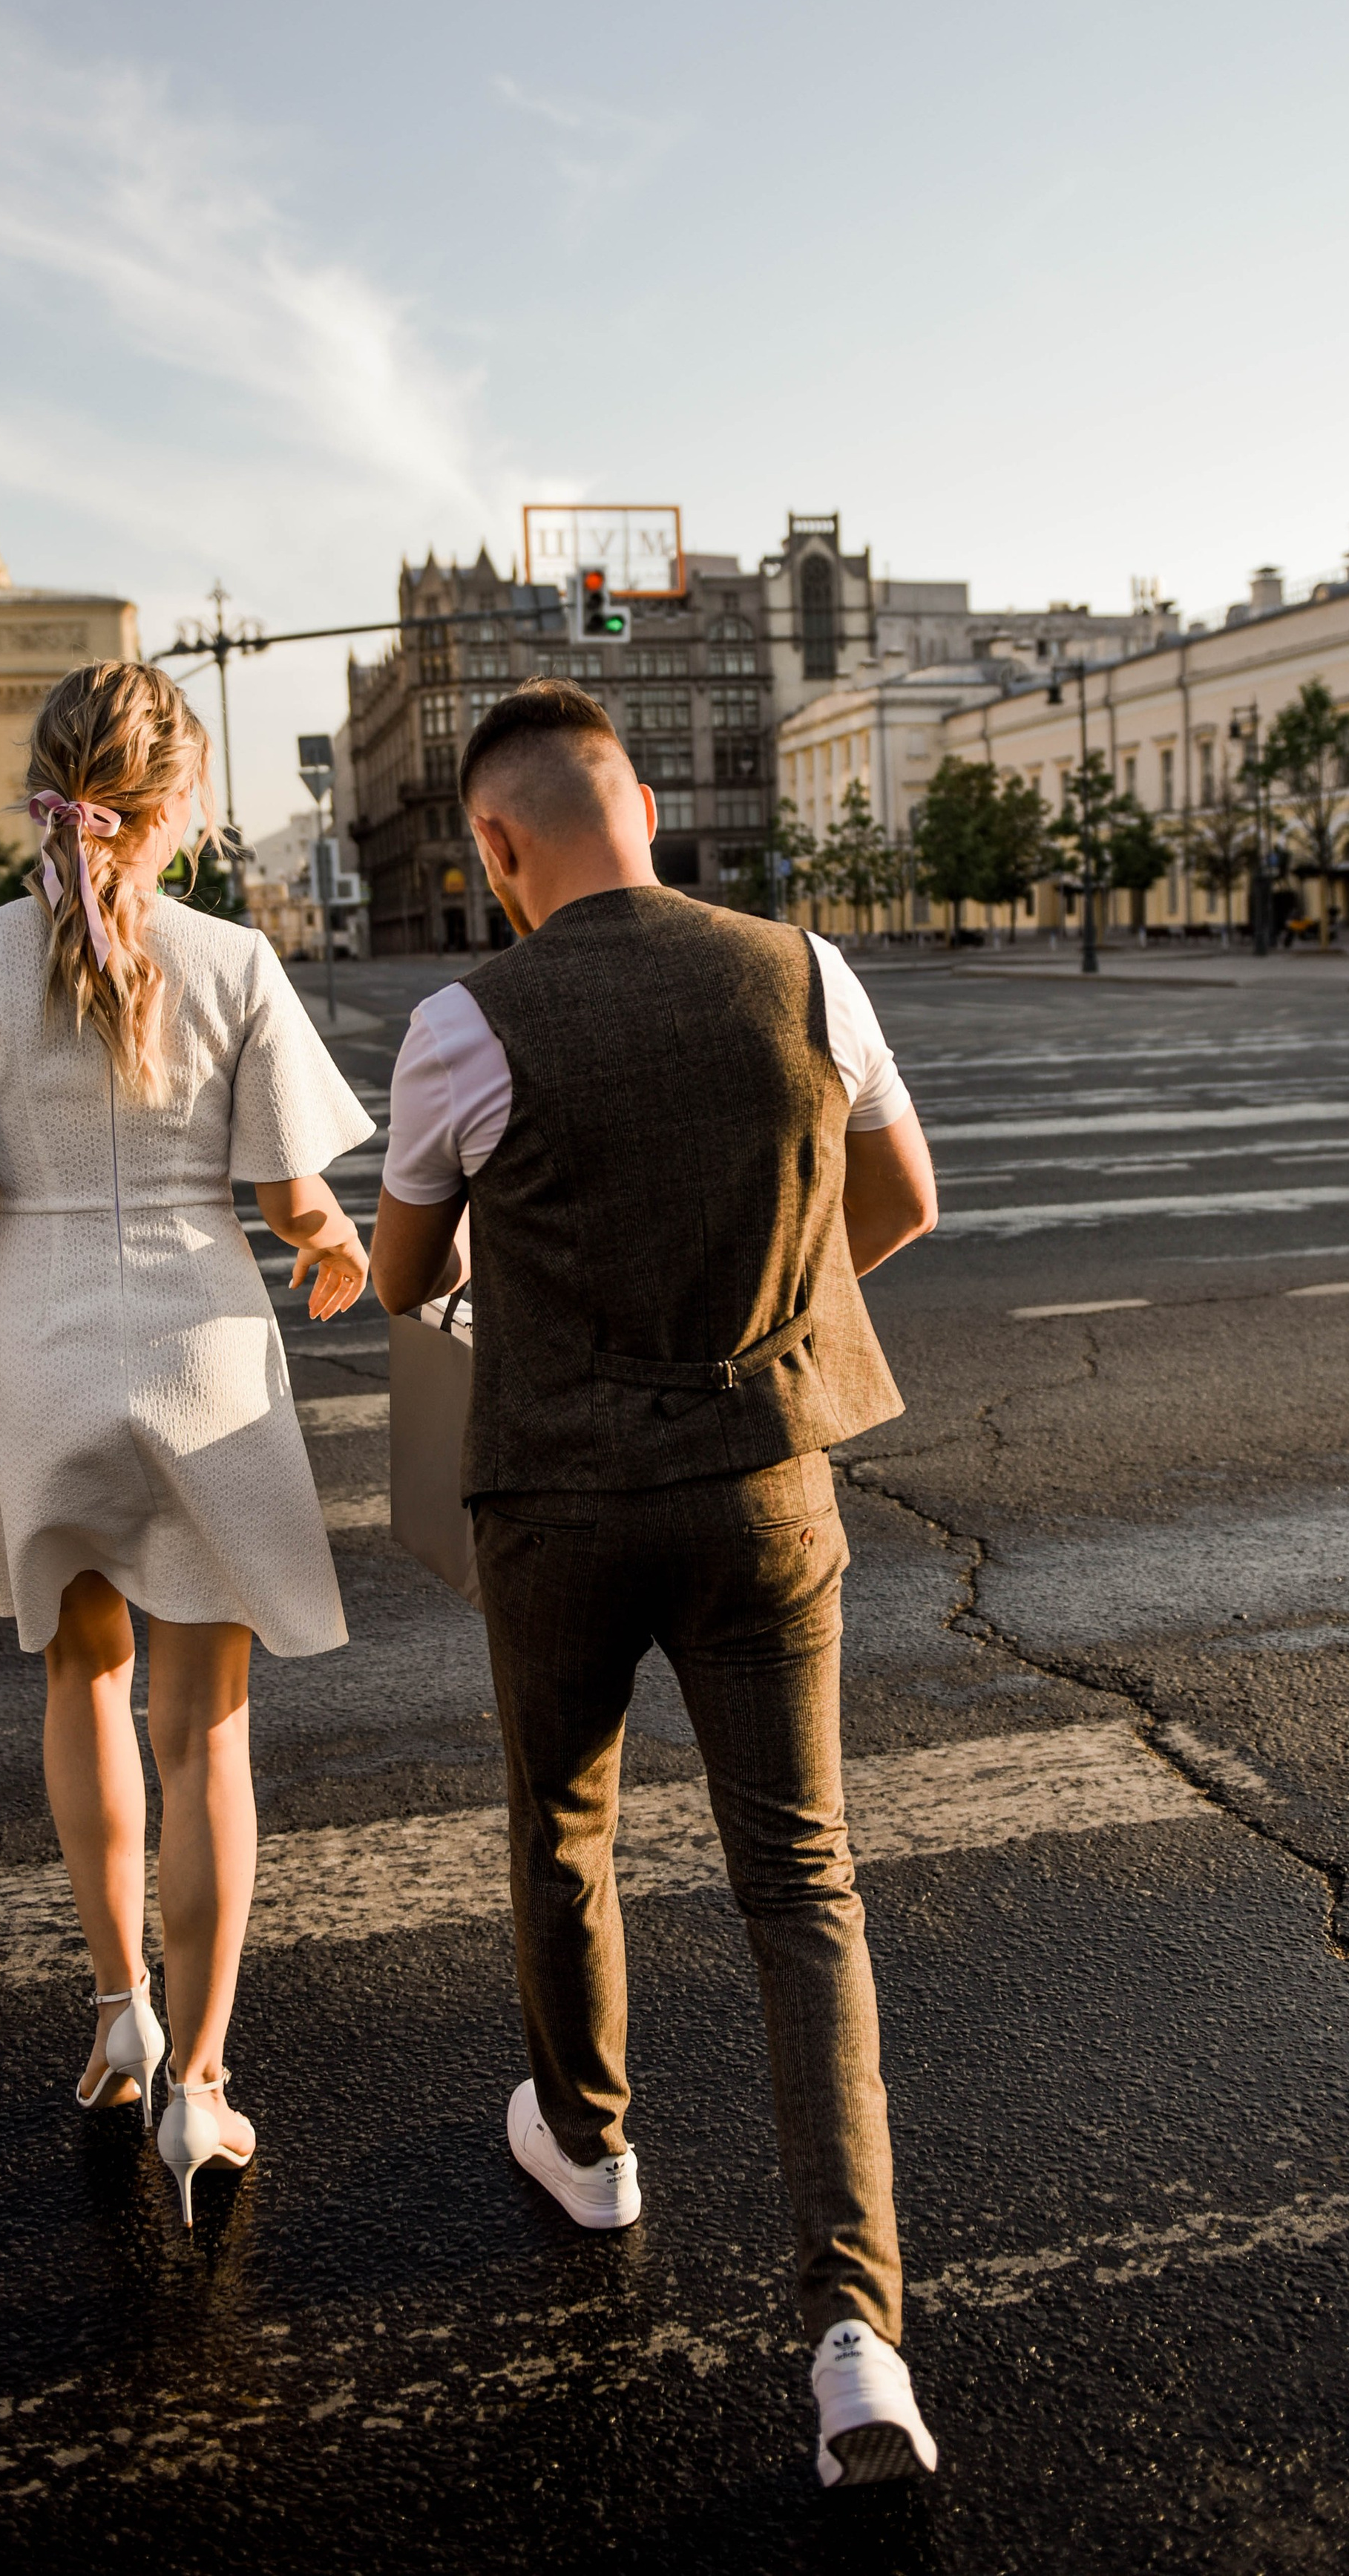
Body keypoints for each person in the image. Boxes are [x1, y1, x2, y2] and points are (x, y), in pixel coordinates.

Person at [370, 679, 942, 2488]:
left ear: (496, 843)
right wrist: (764, 1326)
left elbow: (403, 1279)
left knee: (562, 1822)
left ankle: (592, 2146)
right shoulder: (806, 973)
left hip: (558, 1503)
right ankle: (856, 2345)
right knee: (803, 1884)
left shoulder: (463, 1023)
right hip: (765, 1487)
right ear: (638, 805)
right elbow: (901, 1202)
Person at [0, 661, 374, 2225]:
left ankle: (120, 2015)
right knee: (206, 1735)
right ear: (180, 805)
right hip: (203, 1352)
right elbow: (294, 1201)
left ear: (45, 793)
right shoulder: (234, 961)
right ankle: (200, 2087)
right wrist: (335, 1244)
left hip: (38, 1351)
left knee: (84, 1681)